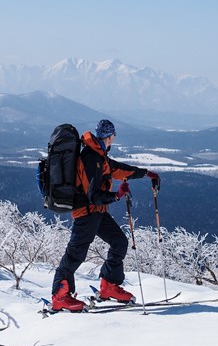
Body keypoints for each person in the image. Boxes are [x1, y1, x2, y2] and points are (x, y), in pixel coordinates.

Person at [51, 119, 161, 312]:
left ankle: (108, 286)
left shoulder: (99, 156)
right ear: (109, 137)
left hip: (97, 212)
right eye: (113, 137)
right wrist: (116, 195)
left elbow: (118, 169)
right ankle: (60, 295)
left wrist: (146, 174)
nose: (113, 140)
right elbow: (93, 196)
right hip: (87, 212)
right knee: (76, 253)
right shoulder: (91, 158)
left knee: (119, 242)